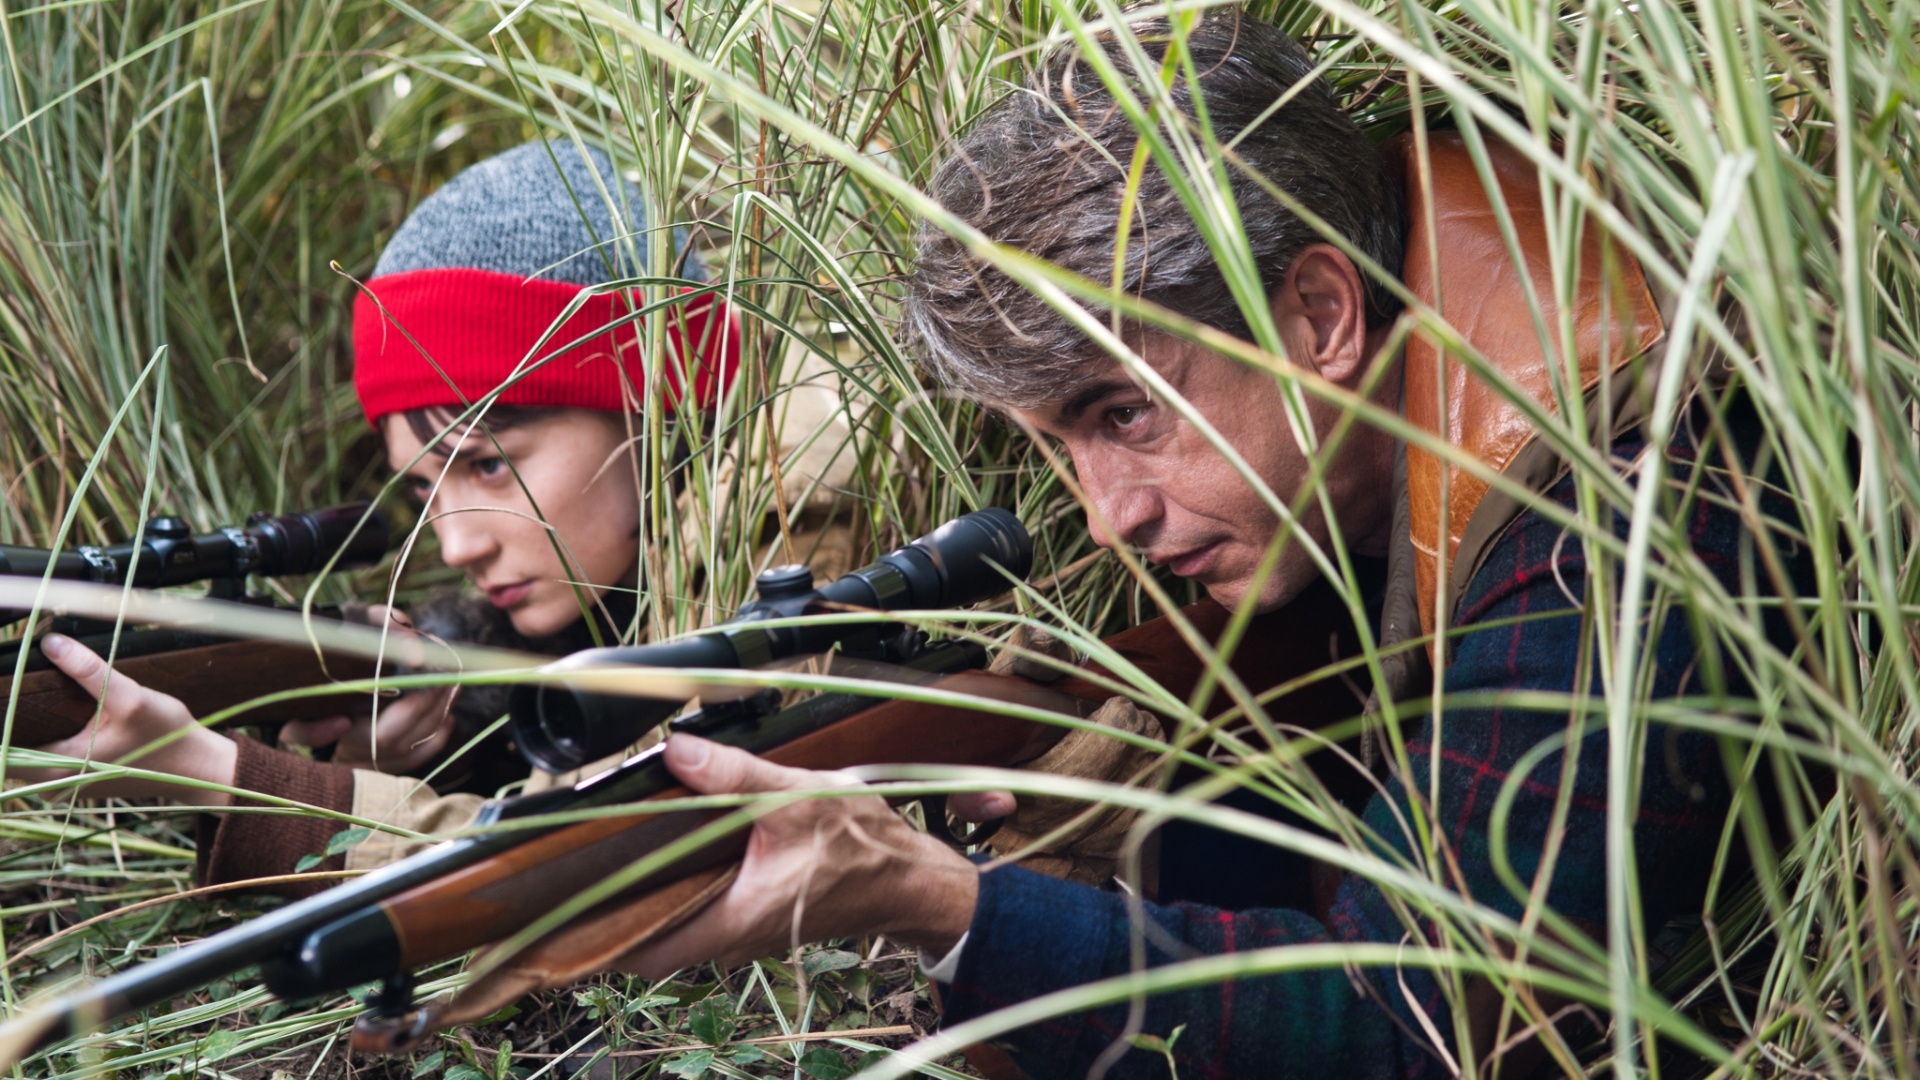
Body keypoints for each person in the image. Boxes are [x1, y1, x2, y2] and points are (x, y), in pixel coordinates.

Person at [589, 9, 1815, 1080]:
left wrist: (938, 900)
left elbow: (1424, 1030)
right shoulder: (1345, 476)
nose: (1111, 513)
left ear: (1321, 313)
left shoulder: (1617, 489)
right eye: (1060, 443)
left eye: (1125, 412)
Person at [18, 138, 857, 895]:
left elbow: (580, 872)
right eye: (422, 490)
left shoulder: (817, 539)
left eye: (490, 464)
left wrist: (212, 771)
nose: (456, 543)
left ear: (657, 410)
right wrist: (416, 754)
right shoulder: (614, 599)